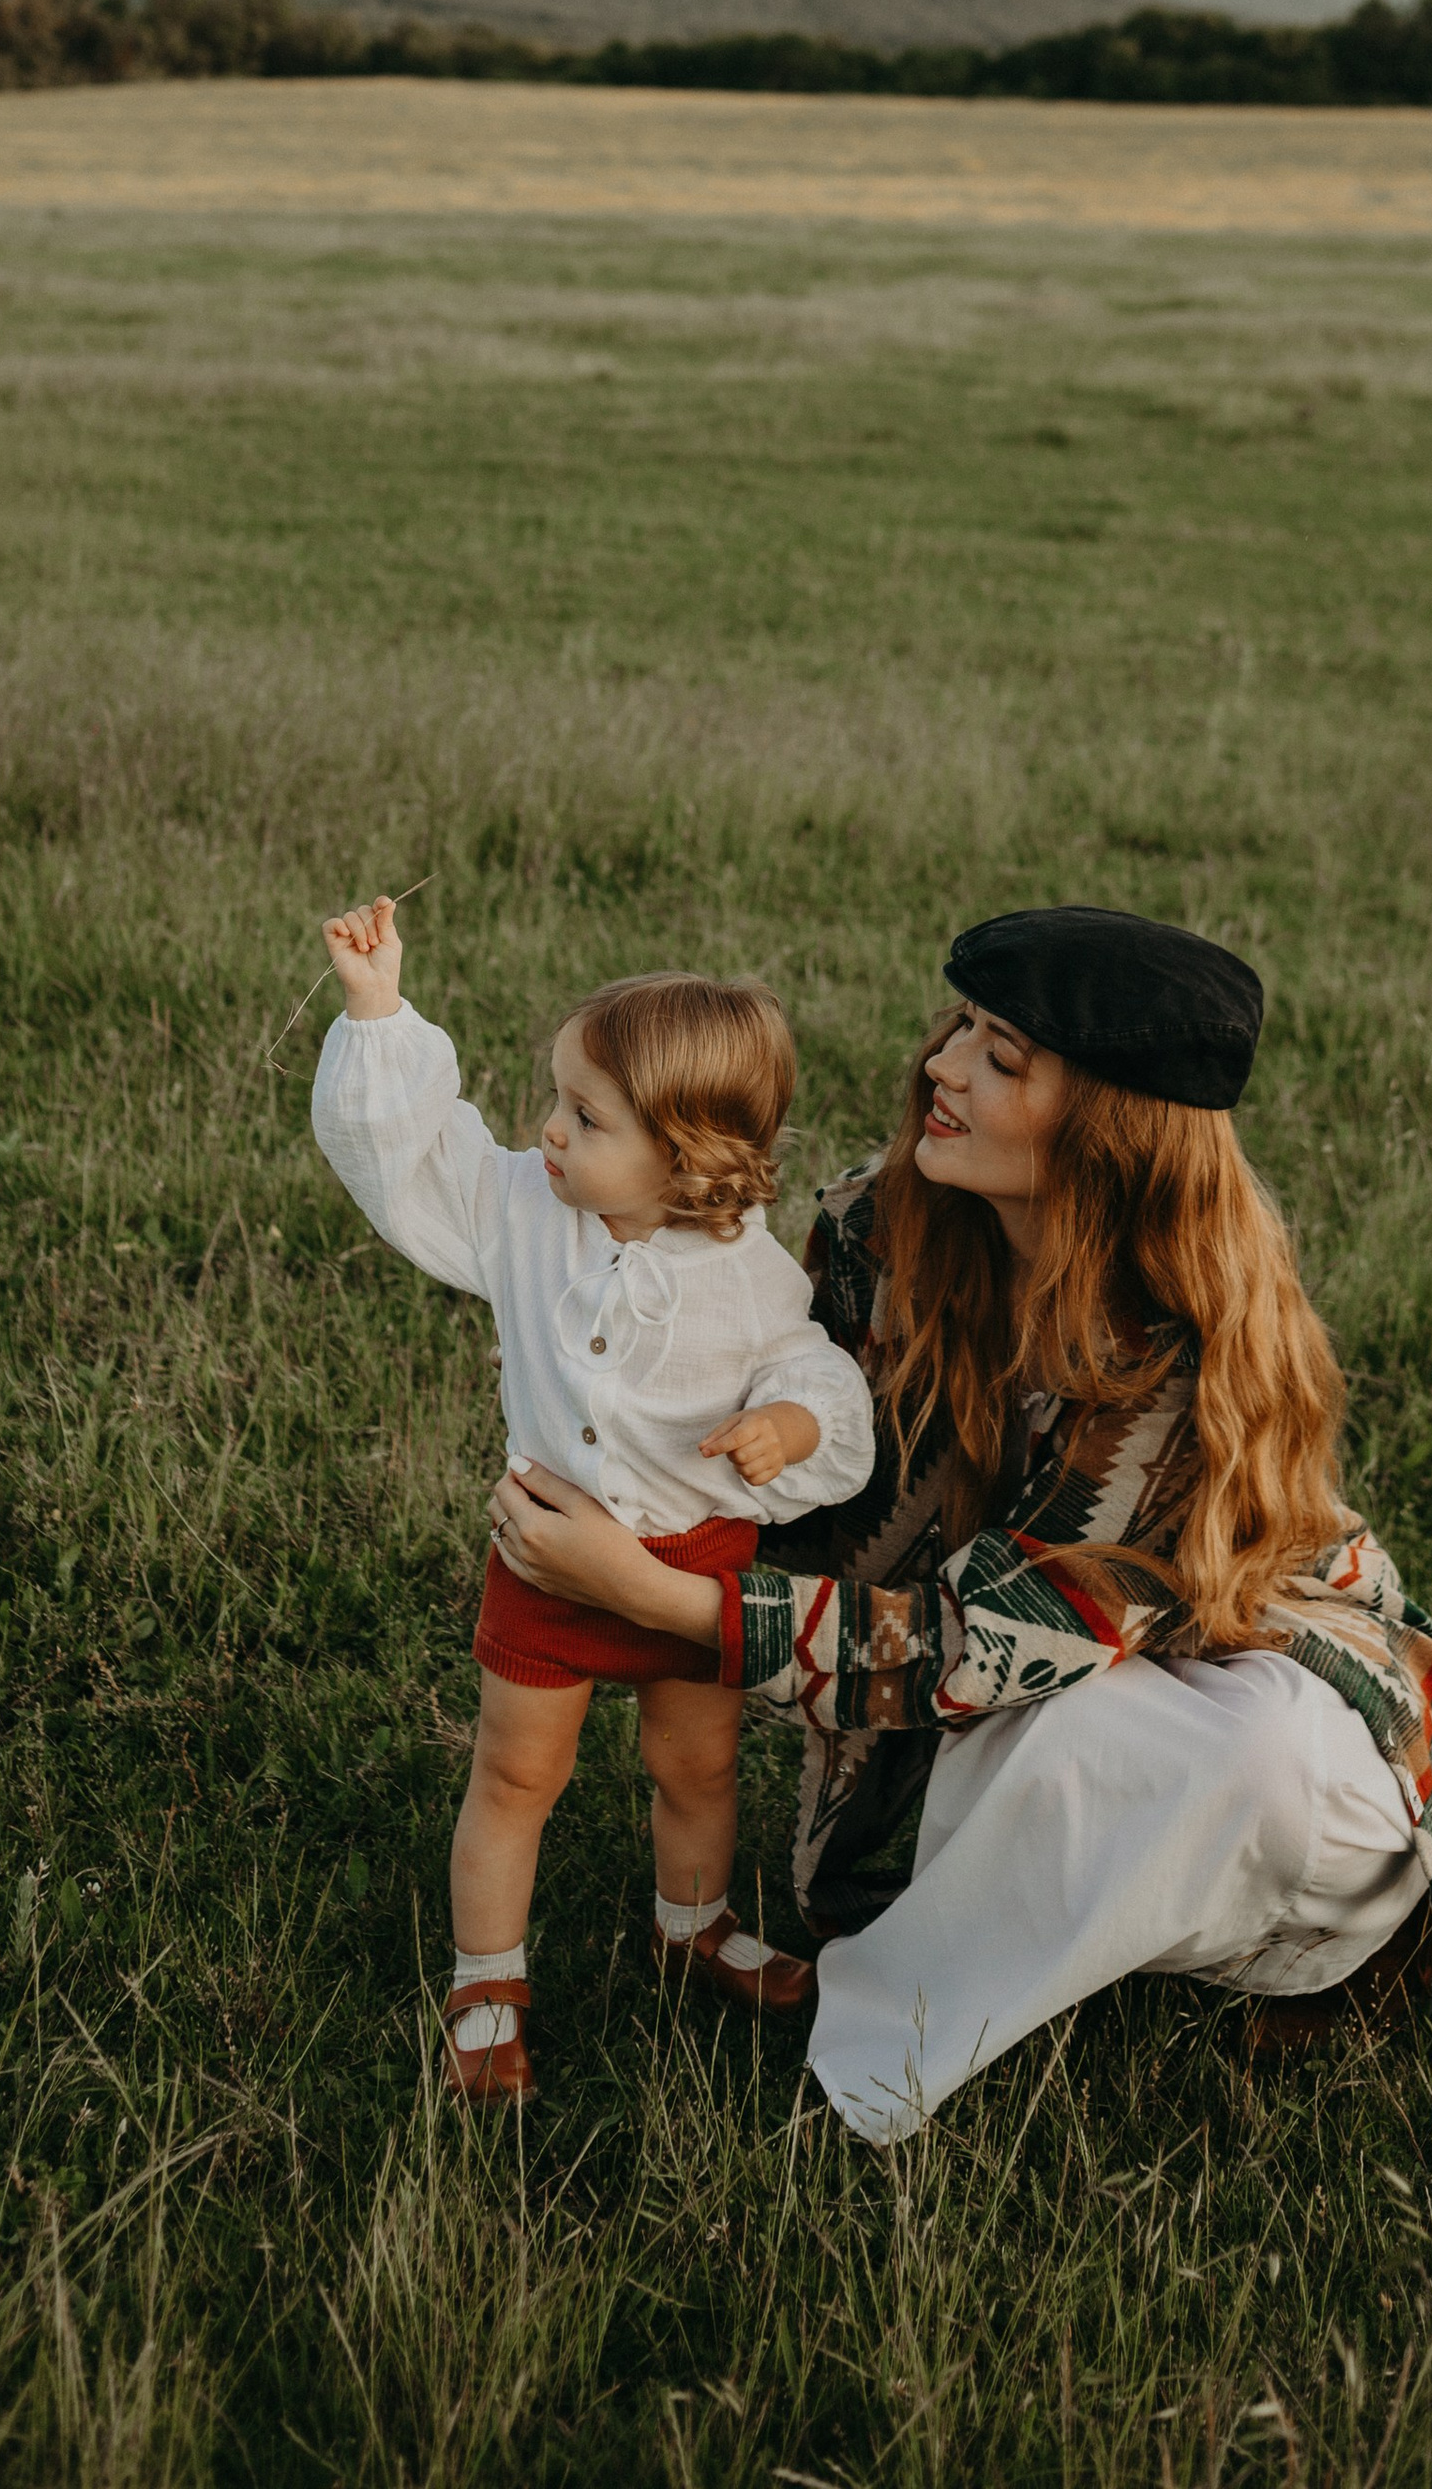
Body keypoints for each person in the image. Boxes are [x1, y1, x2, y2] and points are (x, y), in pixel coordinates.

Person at [488, 903, 1432, 2141]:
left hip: (1244, 1683)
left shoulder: (1190, 1343)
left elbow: (993, 1643)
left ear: (1109, 1132)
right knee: (1028, 1761)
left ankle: (1270, 1961)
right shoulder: (877, 1228)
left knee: (1239, 1765)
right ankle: (1030, 1917)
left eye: (1001, 1059)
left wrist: (662, 1601)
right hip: (1000, 1675)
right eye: (961, 1027)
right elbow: (779, 1458)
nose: (939, 1068)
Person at [311, 892, 875, 2103]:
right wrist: (376, 1012)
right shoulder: (524, 1208)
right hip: (548, 1558)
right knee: (516, 1773)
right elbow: (414, 1158)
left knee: (698, 1767)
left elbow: (814, 1378)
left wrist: (789, 1424)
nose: (547, 1131)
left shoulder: (753, 1279)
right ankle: (488, 1977)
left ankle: (693, 1924)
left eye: (582, 1115)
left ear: (685, 1158)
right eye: (556, 1102)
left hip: (695, 1571)